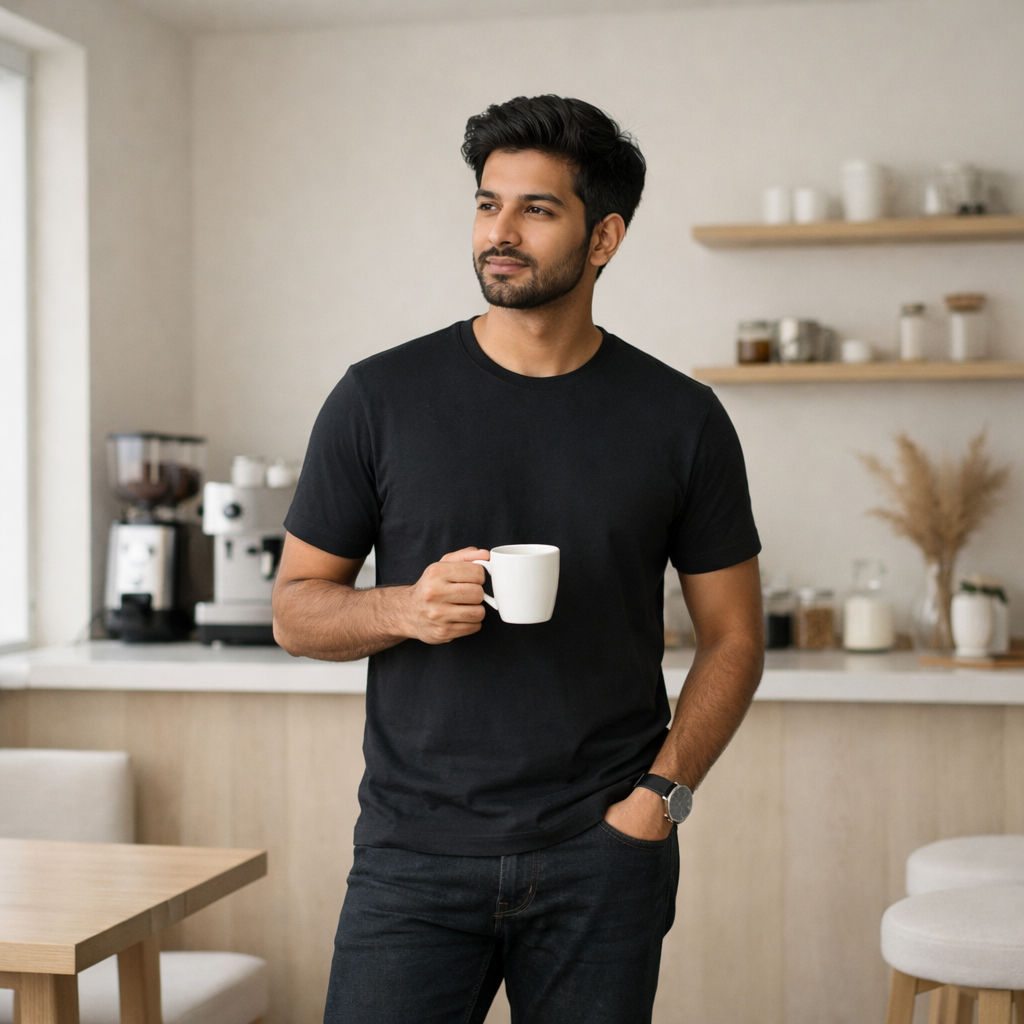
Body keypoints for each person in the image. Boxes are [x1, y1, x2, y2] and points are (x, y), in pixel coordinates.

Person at [272, 94, 764, 1024]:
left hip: (604, 854)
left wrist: (660, 798)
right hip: (411, 856)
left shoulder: (681, 418)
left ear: (605, 236)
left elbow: (735, 637)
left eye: (536, 209)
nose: (499, 231)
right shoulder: (377, 397)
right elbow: (296, 609)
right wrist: (402, 609)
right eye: (487, 202)